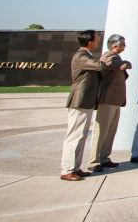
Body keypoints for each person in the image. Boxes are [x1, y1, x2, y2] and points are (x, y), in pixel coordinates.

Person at [60, 30, 103, 181]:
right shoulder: (81, 56)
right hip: (80, 100)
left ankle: (76, 167)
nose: (99, 41)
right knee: (74, 135)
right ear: (89, 42)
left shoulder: (86, 55)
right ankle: (67, 170)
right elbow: (99, 66)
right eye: (97, 38)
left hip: (86, 101)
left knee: (81, 136)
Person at [88, 34, 131, 173]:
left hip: (115, 100)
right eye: (123, 44)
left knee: (111, 131)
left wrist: (124, 64)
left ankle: (104, 158)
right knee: (101, 131)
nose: (124, 46)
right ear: (114, 46)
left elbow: (127, 65)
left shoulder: (117, 58)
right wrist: (122, 65)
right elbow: (108, 65)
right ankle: (94, 161)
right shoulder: (108, 56)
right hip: (107, 99)